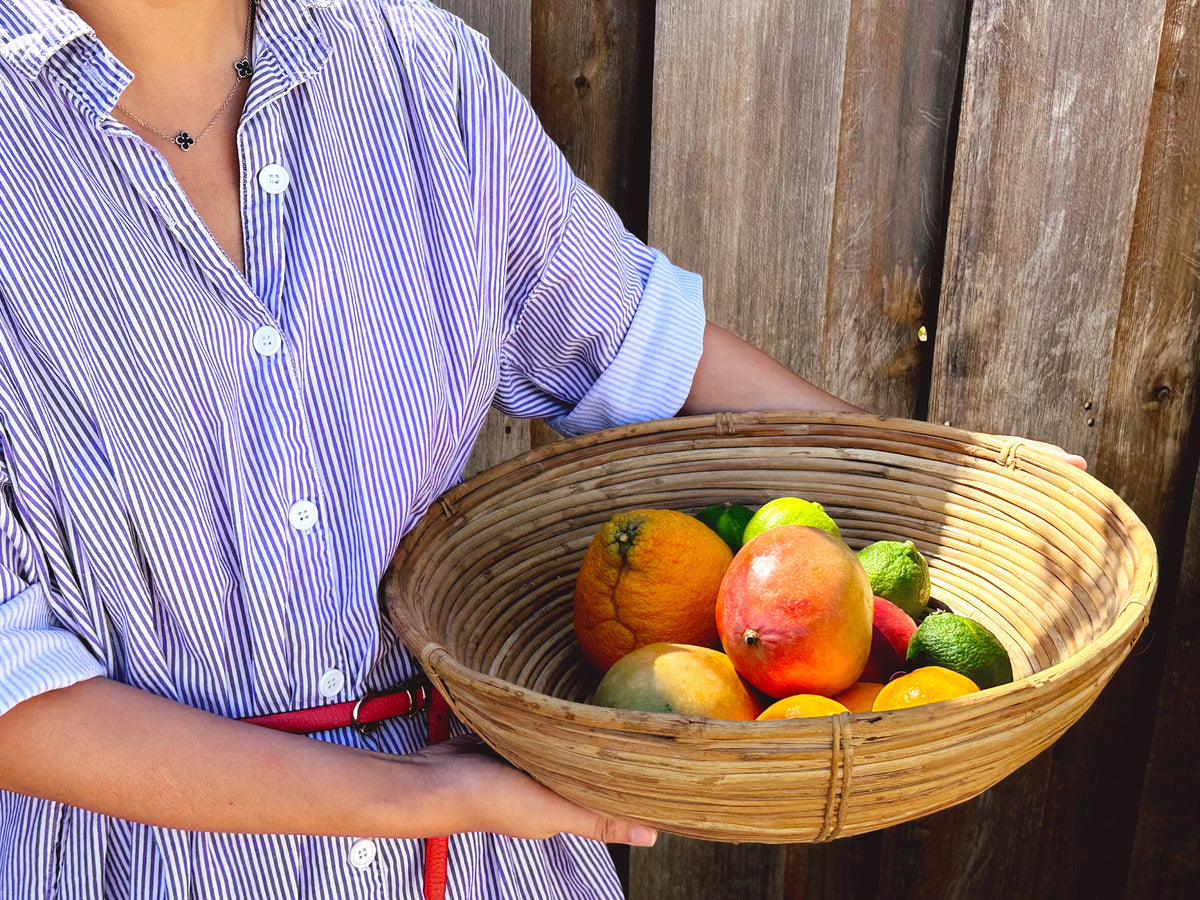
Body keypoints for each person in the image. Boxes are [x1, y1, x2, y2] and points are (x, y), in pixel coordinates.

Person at [0, 1, 1085, 898]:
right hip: (146, 865)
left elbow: (641, 352)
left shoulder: (425, 78)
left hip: (484, 862)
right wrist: (429, 793)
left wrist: (951, 488)